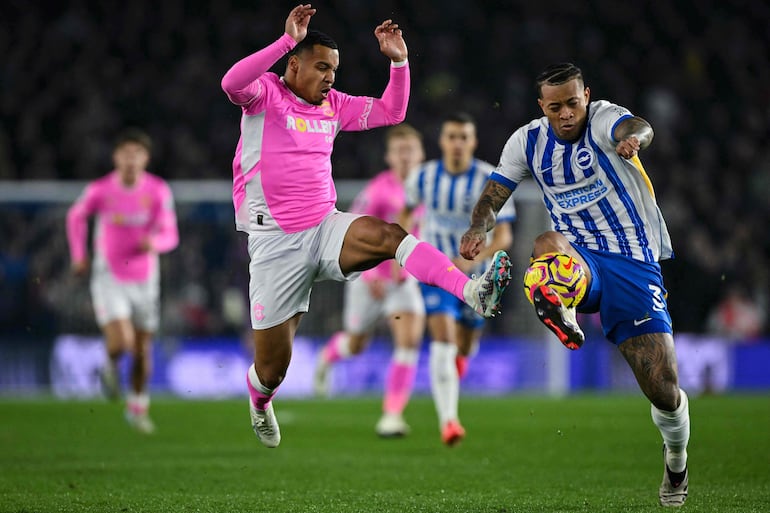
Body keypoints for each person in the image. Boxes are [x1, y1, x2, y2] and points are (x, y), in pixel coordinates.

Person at [220, 4, 512, 449]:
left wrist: (399, 61)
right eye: (322, 67)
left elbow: (393, 112)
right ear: (294, 65)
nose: (331, 77)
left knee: (390, 235)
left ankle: (472, 291)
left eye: (334, 68)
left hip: (325, 226)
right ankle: (259, 400)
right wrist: (284, 40)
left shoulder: (334, 106)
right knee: (272, 369)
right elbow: (230, 83)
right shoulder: (265, 94)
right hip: (274, 242)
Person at [459, 63, 691, 507]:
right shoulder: (526, 141)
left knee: (662, 385)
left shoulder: (605, 119)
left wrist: (634, 141)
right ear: (541, 107)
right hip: (579, 255)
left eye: (572, 102)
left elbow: (638, 127)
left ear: (587, 96)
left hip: (632, 260)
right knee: (544, 242)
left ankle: (676, 457)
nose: (565, 113)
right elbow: (494, 194)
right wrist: (478, 228)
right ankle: (561, 306)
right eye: (554, 107)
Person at [401, 112, 515, 446]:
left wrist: (474, 259)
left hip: (477, 278)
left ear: (473, 142)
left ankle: (458, 367)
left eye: (464, 137)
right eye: (452, 137)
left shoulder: (488, 179)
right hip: (436, 275)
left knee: (464, 346)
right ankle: (449, 422)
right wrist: (407, 250)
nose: (457, 144)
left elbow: (505, 235)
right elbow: (405, 214)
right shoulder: (423, 178)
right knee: (443, 340)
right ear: (442, 141)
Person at [314, 123, 427, 439]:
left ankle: (392, 415)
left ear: (421, 155)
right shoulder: (379, 190)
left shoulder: (429, 190)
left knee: (408, 343)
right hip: (370, 281)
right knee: (356, 343)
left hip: (404, 282)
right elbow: (351, 233)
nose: (405, 156)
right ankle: (328, 357)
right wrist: (369, 273)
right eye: (399, 151)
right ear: (389, 156)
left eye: (411, 150)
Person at [66, 128, 179, 434]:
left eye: (137, 154)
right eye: (125, 153)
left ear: (146, 159)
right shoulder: (100, 190)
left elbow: (170, 234)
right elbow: (75, 216)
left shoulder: (158, 191)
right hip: (109, 276)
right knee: (121, 342)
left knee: (143, 350)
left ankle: (138, 407)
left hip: (145, 279)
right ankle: (109, 365)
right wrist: (79, 254)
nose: (131, 159)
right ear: (116, 157)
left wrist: (155, 244)